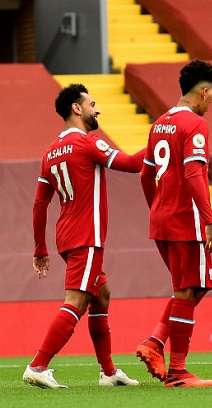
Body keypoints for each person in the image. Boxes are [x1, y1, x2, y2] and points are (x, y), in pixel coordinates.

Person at [24, 84, 142, 389]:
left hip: (66, 236)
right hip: (86, 235)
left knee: (101, 294)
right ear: (77, 108)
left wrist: (40, 249)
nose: (97, 109)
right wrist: (162, 141)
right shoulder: (88, 143)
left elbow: (39, 204)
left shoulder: (50, 152)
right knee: (76, 300)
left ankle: (108, 372)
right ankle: (38, 365)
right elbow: (132, 164)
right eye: (92, 104)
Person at [136, 60, 212, 387]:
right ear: (203, 91)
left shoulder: (159, 123)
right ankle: (178, 371)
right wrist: (210, 222)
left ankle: (155, 342)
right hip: (187, 219)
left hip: (162, 219)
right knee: (189, 289)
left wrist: (158, 207)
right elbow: (194, 172)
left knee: (190, 287)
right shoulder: (195, 124)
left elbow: (146, 175)